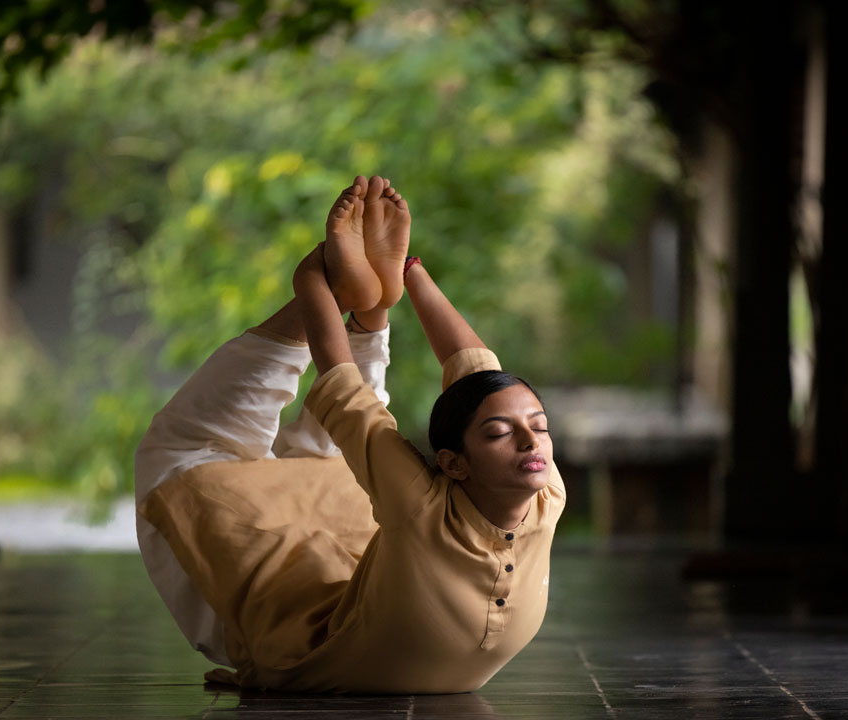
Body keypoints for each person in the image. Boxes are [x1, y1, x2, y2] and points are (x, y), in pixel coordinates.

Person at [134, 175, 565, 693]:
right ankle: (369, 310)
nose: (531, 440)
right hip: (375, 613)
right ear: (454, 463)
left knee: (185, 453)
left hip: (312, 653)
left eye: (539, 427)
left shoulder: (448, 499)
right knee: (342, 453)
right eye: (504, 433)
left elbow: (362, 390)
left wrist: (316, 284)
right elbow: (464, 375)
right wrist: (408, 273)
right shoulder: (533, 490)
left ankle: (362, 305)